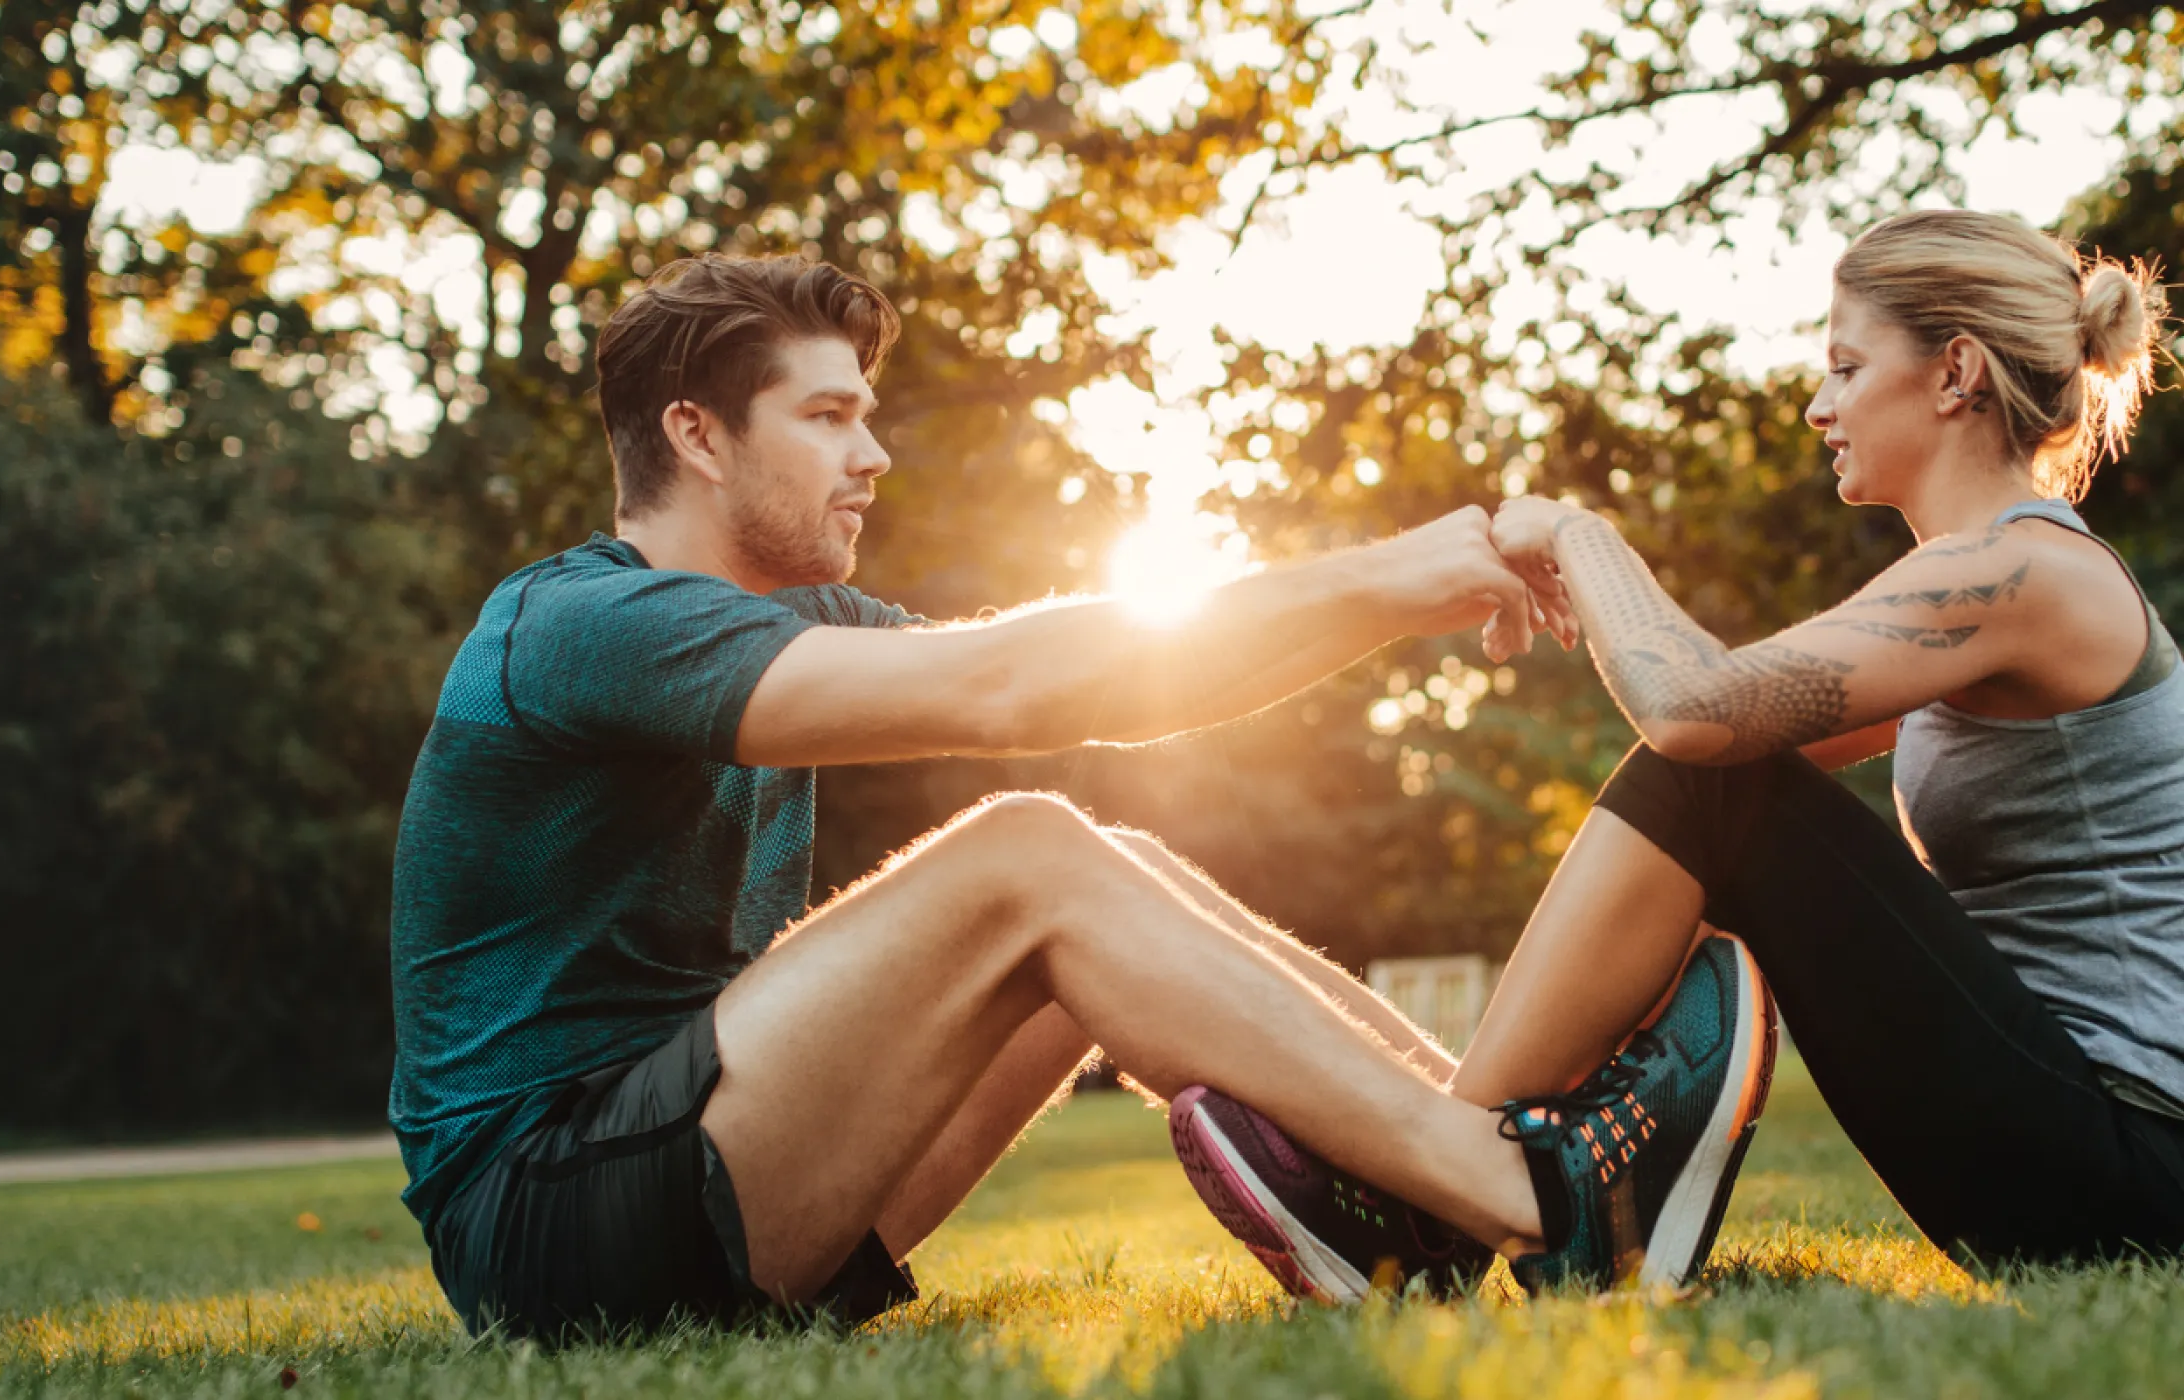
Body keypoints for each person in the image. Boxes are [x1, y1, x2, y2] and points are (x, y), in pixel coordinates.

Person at [386, 252, 1777, 1342]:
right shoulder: (580, 627)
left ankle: (1463, 1157)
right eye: (827, 417)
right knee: (1030, 859)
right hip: (550, 1221)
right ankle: (1534, 1193)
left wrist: (1402, 595)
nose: (870, 455)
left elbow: (1127, 685)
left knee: (1093, 867)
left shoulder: (797, 617)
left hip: (706, 1180)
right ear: (694, 433)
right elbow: (1015, 692)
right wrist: (1378, 577)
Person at [1197, 209, 2182, 1286]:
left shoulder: (2027, 576)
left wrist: (1581, 534)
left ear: (1954, 373)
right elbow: (1722, 740)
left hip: (2135, 1166)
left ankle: (1427, 1201)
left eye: (1846, 367)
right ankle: (1537, 1174)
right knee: (1714, 792)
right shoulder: (1996, 581)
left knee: (1709, 780)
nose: (1819, 406)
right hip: (2092, 1147)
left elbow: (1694, 711)